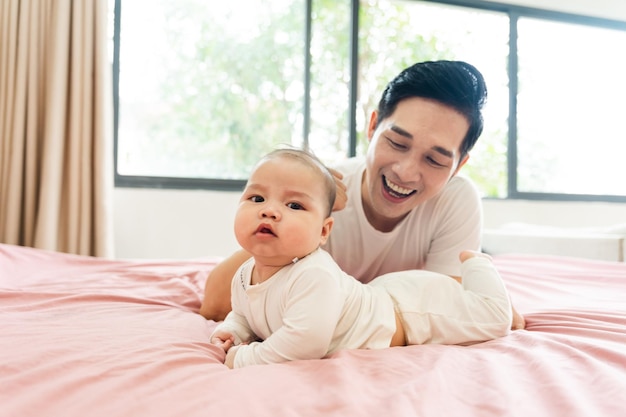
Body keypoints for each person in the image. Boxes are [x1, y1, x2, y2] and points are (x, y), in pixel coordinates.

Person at [200, 60, 525, 330]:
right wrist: (309, 214)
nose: (406, 172)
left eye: (435, 160)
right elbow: (214, 303)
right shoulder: (320, 192)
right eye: (397, 143)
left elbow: (456, 312)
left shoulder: (456, 200)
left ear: (458, 166)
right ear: (372, 127)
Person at [210, 148, 512, 368]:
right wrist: (234, 330)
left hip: (410, 313)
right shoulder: (244, 273)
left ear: (324, 231)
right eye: (257, 198)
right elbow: (245, 312)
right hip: (383, 292)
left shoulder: (314, 275)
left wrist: (247, 357)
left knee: (494, 318)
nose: (269, 210)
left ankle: (480, 264)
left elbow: (305, 343)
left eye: (294, 205)